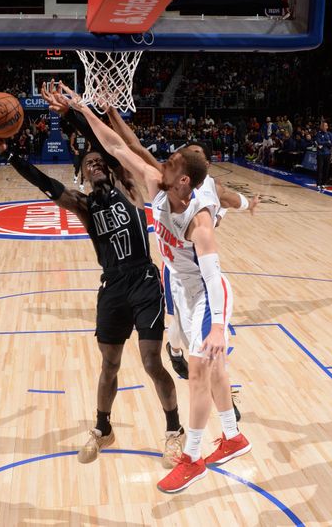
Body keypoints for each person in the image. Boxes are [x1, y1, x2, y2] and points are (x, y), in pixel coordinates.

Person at [70, 91, 250, 494]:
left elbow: (215, 276)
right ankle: (234, 436)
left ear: (184, 179)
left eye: (169, 162)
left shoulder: (198, 222)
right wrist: (84, 110)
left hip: (206, 295)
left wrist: (218, 326)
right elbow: (120, 146)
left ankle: (193, 458)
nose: (159, 162)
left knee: (199, 373)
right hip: (181, 289)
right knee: (214, 370)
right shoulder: (158, 183)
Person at [0, 122, 185, 471]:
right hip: (113, 286)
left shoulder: (129, 187)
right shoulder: (84, 205)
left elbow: (111, 146)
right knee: (110, 364)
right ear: (83, 177)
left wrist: (77, 116)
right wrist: (8, 153)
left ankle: (174, 430)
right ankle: (103, 428)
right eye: (88, 164)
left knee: (151, 361)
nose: (95, 165)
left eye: (99, 161)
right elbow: (43, 183)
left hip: (144, 280)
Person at [314, 121, 332, 192]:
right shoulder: (318, 134)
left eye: (325, 126)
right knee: (320, 169)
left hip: (327, 154)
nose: (323, 127)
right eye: (322, 126)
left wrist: (323, 144)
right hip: (320, 154)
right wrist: (327, 142)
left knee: (326, 169)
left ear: (327, 127)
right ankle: (318, 184)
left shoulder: (330, 134)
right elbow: (318, 142)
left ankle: (323, 184)